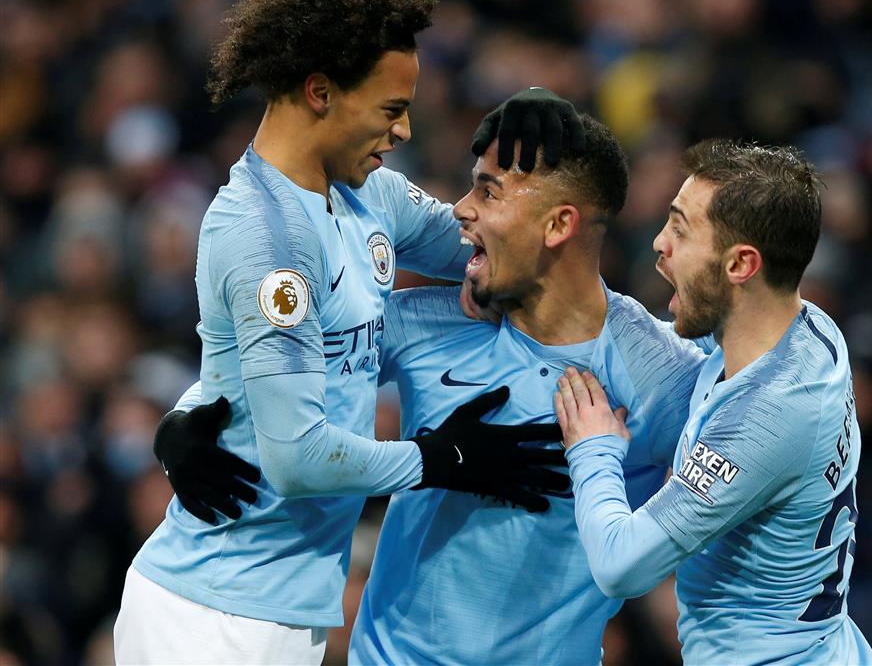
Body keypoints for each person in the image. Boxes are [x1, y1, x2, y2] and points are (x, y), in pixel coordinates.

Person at [113, 0, 575, 665]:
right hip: (212, 619)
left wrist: (542, 146)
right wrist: (441, 457)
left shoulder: (368, 193)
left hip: (276, 612)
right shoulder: (265, 237)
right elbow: (297, 460)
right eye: (391, 108)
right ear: (320, 92)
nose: (405, 130)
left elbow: (493, 254)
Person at [165, 111, 716, 665]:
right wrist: (184, 418)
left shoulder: (660, 375)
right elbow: (282, 370)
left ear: (557, 226)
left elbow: (759, 476)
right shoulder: (426, 321)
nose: (461, 209)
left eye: (488, 191)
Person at [556, 140, 872, 665]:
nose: (660, 243)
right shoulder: (813, 330)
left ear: (741, 265)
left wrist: (593, 448)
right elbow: (687, 355)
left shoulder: (762, 419)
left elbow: (621, 565)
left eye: (681, 229)